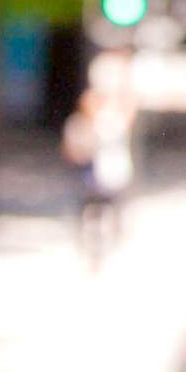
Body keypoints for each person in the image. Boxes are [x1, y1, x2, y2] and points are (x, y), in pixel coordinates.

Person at [63, 51, 136, 268]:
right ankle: (94, 251)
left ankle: (105, 246)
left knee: (106, 213)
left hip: (112, 173)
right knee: (91, 214)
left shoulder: (117, 113)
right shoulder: (85, 117)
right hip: (91, 173)